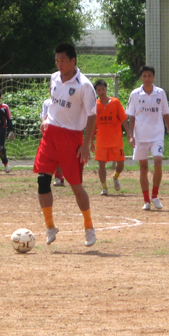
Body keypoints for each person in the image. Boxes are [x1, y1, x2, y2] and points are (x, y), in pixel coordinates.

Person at [34, 43, 97, 247]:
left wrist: (86, 144)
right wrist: (45, 119)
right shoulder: (54, 78)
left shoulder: (84, 85)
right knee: (43, 180)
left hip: (71, 137)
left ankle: (88, 227)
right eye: (57, 60)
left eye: (63, 60)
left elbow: (92, 116)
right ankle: (50, 226)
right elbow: (53, 103)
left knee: (76, 186)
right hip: (50, 135)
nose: (59, 64)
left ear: (73, 61)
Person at [126, 65, 169, 210]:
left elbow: (165, 113)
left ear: (153, 77)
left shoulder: (160, 93)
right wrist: (131, 135)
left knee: (158, 163)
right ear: (141, 77)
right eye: (144, 76)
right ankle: (146, 200)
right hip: (140, 136)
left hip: (157, 135)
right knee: (143, 168)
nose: (147, 79)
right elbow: (131, 115)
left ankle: (155, 195)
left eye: (149, 76)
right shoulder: (135, 94)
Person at [90, 79, 130, 196]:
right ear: (96, 92)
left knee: (121, 164)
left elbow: (123, 119)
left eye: (103, 89)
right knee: (101, 165)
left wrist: (129, 133)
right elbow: (92, 125)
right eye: (99, 90)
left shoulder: (115, 102)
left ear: (106, 89)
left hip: (116, 141)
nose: (101, 92)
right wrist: (91, 141)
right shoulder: (95, 105)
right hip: (101, 141)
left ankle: (115, 177)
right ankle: (104, 187)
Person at [40, 98, 66, 187]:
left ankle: (59, 176)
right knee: (49, 155)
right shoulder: (46, 102)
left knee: (60, 154)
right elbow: (43, 116)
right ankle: (51, 177)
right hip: (49, 131)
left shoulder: (63, 100)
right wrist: (43, 123)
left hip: (61, 130)